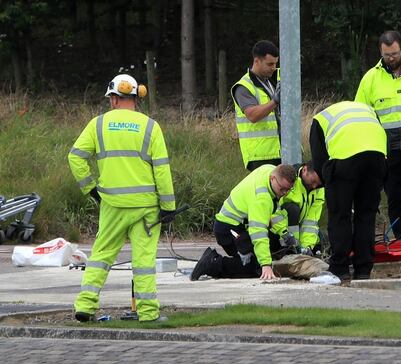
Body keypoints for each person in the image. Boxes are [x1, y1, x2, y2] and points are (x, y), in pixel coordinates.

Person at [68, 74, 175, 322]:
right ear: (137, 98)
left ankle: (85, 306)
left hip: (112, 205)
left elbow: (75, 157)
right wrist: (168, 206)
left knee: (101, 256)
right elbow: (162, 169)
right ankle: (148, 313)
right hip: (146, 207)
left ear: (114, 99)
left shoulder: (98, 124)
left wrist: (90, 189)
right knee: (144, 261)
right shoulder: (151, 126)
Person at [309, 101, 387, 280]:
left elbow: (319, 161)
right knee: (366, 216)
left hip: (344, 162)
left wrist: (329, 184)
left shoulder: (320, 118)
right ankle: (364, 269)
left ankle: (340, 267)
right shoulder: (364, 109)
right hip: (376, 159)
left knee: (340, 216)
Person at [354, 31, 401, 240]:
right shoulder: (371, 78)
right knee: (395, 197)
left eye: (394, 54)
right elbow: (361, 115)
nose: (391, 58)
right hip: (388, 148)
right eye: (386, 55)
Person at [190, 164, 297, 280]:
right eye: (282, 189)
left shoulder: (269, 171)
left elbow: (275, 212)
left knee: (273, 242)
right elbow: (258, 232)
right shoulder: (262, 199)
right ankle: (213, 263)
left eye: (288, 189)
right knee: (253, 268)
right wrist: (265, 264)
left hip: (238, 226)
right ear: (272, 178)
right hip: (228, 231)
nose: (285, 193)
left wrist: (284, 232)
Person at [231, 40, 281, 171]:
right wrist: (275, 101)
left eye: (276, 63)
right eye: (270, 64)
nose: (273, 68)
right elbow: (252, 115)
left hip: (281, 150)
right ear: (256, 61)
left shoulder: (272, 80)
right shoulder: (244, 86)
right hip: (260, 156)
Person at [278, 163, 325, 256]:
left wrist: (306, 247)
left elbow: (311, 221)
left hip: (299, 230)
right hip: (279, 229)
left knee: (318, 239)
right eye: (313, 181)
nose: (315, 186)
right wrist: (292, 243)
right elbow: (275, 211)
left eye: (318, 184)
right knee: (292, 209)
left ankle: (298, 250)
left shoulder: (319, 190)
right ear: (304, 170)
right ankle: (288, 250)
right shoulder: (289, 179)